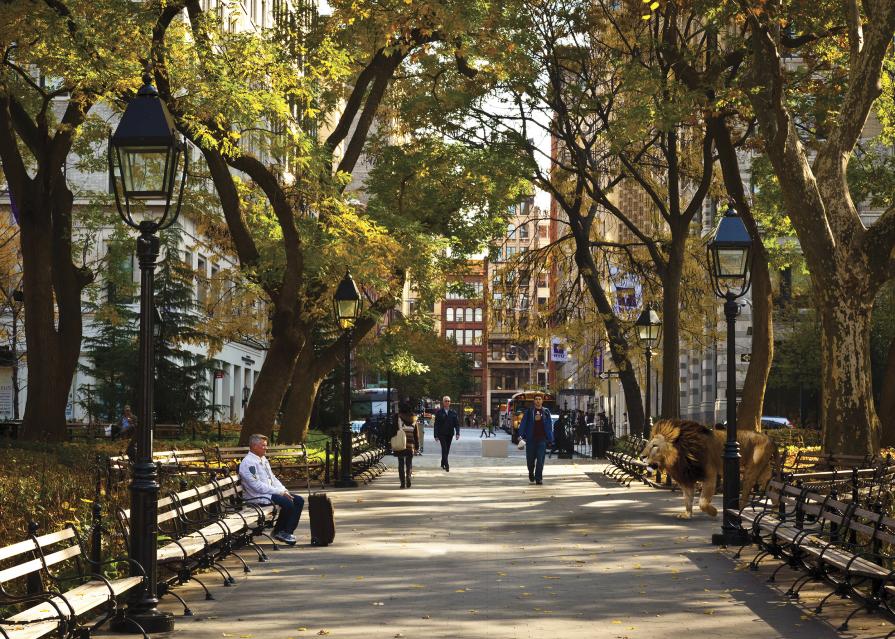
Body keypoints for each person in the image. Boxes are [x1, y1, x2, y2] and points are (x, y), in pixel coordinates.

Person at [238, 434, 305, 545]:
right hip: (257, 496)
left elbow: (272, 478)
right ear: (254, 446)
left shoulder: (263, 459)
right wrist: (279, 492)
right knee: (288, 503)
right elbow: (256, 486)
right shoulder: (249, 463)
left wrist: (284, 490)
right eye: (263, 446)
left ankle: (287, 532)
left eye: (266, 445)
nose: (266, 448)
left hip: (269, 493)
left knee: (298, 500)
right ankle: (279, 531)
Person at [517, 394, 554, 485]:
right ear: (534, 401)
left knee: (540, 460)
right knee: (530, 460)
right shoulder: (529, 411)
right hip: (530, 440)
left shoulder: (546, 411)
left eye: (539, 399)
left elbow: (549, 425)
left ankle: (539, 478)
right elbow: (523, 423)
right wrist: (520, 435)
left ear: (542, 401)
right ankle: (531, 472)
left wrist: (550, 439)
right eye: (536, 399)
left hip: (542, 440)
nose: (538, 401)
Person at [390, 403, 420, 488]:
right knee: (409, 463)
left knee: (401, 463)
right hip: (410, 444)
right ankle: (408, 477)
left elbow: (393, 429)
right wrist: (417, 445)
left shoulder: (397, 417)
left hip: (401, 442)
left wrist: (392, 440)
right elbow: (416, 433)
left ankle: (402, 483)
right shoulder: (414, 418)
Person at [433, 395, 460, 472]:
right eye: (446, 401)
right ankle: (447, 465)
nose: (447, 402)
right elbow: (436, 425)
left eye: (448, 401)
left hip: (450, 434)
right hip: (441, 434)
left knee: (447, 449)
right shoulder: (439, 412)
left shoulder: (453, 413)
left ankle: (442, 462)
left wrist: (457, 433)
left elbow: (457, 424)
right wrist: (435, 435)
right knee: (444, 448)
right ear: (443, 402)